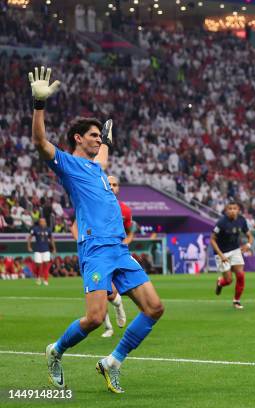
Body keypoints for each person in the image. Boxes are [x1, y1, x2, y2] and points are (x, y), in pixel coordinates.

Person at [29, 66, 164, 393]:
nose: (99, 140)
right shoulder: (68, 164)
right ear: (78, 139)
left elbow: (102, 152)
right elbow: (40, 142)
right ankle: (56, 350)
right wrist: (39, 104)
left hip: (119, 249)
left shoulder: (98, 168)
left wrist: (106, 137)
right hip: (96, 250)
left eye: (99, 137)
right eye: (93, 136)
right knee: (93, 318)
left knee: (155, 308)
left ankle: (113, 362)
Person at [70, 175, 129, 338]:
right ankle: (108, 327)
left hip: (117, 254)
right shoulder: (92, 203)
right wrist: (84, 243)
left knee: (113, 295)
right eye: (108, 183)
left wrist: (125, 242)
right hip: (95, 255)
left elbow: (129, 230)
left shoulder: (124, 210)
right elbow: (74, 227)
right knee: (100, 292)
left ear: (118, 188)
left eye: (114, 184)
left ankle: (118, 305)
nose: (111, 186)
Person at [211, 201, 254, 309]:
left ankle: (236, 301)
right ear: (226, 210)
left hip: (235, 250)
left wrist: (248, 245)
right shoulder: (221, 223)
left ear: (238, 210)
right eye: (230, 208)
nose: (232, 211)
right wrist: (221, 255)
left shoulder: (242, 220)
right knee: (229, 280)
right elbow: (212, 240)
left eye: (234, 208)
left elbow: (250, 236)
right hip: (221, 252)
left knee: (240, 275)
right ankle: (220, 282)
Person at [27, 217, 56, 286]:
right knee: (38, 265)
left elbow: (51, 239)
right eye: (41, 221)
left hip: (46, 249)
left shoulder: (48, 229)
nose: (43, 223)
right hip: (37, 249)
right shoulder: (35, 229)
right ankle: (38, 277)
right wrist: (29, 247)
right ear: (39, 222)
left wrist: (54, 248)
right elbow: (29, 238)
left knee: (46, 264)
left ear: (45, 222)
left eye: (44, 221)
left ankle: (46, 280)